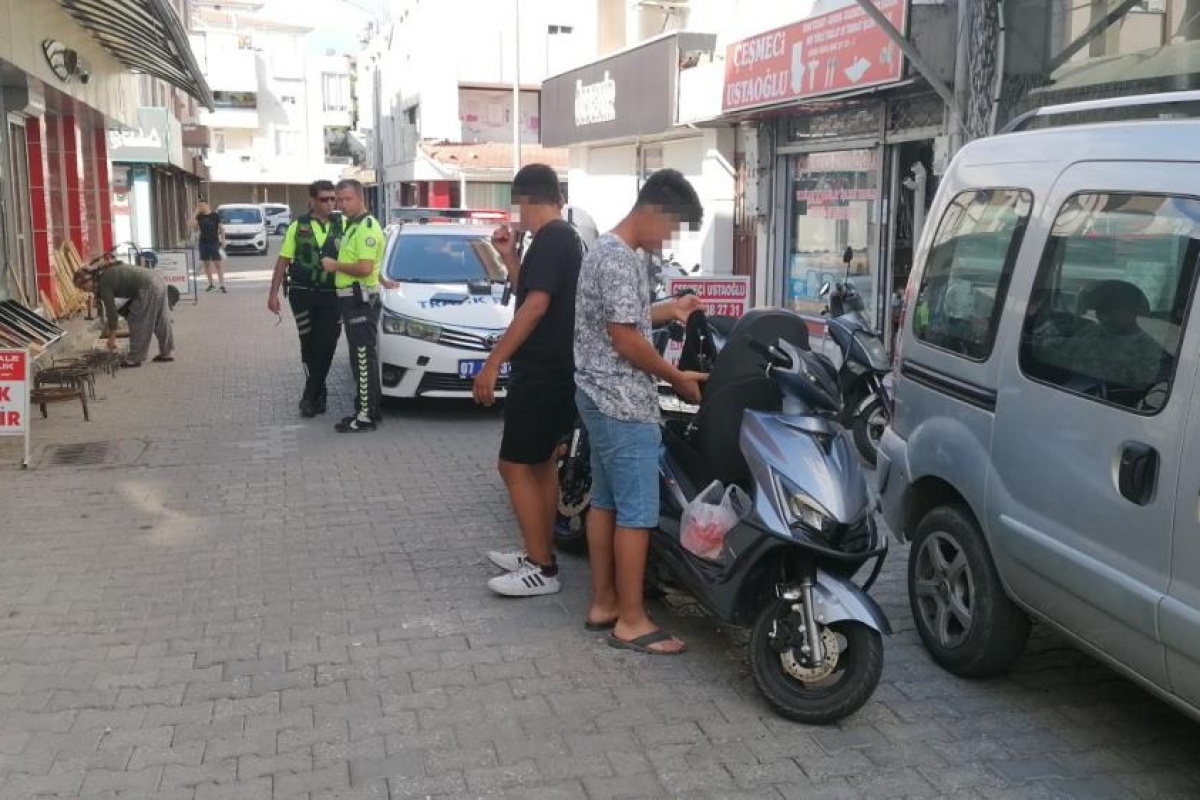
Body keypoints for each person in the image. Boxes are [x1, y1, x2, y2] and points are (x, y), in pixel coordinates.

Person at [574, 169, 706, 655]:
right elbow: (625, 338)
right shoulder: (617, 259)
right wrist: (677, 379)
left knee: (606, 502)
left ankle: (604, 603)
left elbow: (621, 318)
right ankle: (631, 621)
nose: (667, 241)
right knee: (636, 512)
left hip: (596, 395)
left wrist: (669, 311)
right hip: (622, 403)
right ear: (652, 212)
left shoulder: (609, 251)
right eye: (671, 229)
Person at [471, 164, 583, 597]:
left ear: (526, 199)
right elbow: (533, 292)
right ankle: (537, 549)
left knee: (514, 464)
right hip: (553, 372)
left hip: (543, 373)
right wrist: (510, 258)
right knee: (538, 464)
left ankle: (542, 567)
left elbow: (535, 309)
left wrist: (493, 362)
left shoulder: (554, 238)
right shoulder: (556, 239)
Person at [268, 181, 343, 417]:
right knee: (309, 345)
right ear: (312, 200)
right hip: (302, 294)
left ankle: (310, 394)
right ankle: (317, 394)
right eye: (324, 199)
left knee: (327, 344)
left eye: (333, 199)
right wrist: (273, 294)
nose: (330, 203)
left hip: (333, 296)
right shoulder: (297, 227)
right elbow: (283, 260)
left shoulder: (344, 225)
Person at [321, 179, 389, 433]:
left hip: (360, 301)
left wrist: (334, 265)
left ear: (362, 198)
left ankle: (365, 416)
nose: (342, 204)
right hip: (353, 299)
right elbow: (372, 266)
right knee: (361, 357)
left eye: (347, 199)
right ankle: (370, 408)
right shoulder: (353, 225)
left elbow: (364, 267)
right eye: (339, 199)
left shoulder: (366, 227)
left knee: (362, 358)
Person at [74, 263, 175, 367]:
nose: (83, 290)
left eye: (82, 286)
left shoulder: (103, 283)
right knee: (161, 319)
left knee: (138, 321)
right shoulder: (106, 272)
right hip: (157, 280)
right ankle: (167, 352)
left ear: (89, 279)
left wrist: (112, 339)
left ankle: (134, 359)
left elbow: (112, 314)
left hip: (146, 287)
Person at [192, 201, 226, 293]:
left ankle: (222, 285)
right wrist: (195, 212)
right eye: (198, 205)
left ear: (207, 205)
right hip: (203, 242)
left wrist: (223, 241)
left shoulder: (215, 215)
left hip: (214, 242)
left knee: (218, 264)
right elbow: (191, 225)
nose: (200, 207)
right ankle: (211, 284)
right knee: (207, 265)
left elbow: (221, 228)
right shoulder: (199, 217)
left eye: (202, 205)